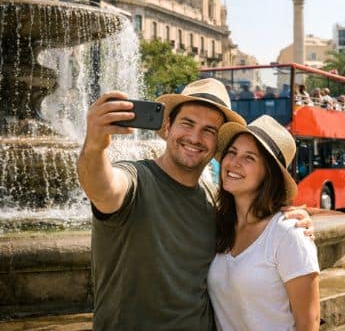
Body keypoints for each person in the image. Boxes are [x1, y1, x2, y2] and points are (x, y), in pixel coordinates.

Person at [77, 79, 312, 329]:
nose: (195, 137)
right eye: (187, 123)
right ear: (167, 126)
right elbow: (102, 187)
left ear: (216, 145)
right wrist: (95, 145)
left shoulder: (214, 201)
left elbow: (257, 228)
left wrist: (291, 222)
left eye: (209, 131)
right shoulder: (136, 179)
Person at [209, 115, 320, 331]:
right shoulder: (218, 224)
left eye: (249, 158)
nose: (233, 162)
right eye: (232, 152)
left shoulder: (289, 233)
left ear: (268, 173)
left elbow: (309, 323)